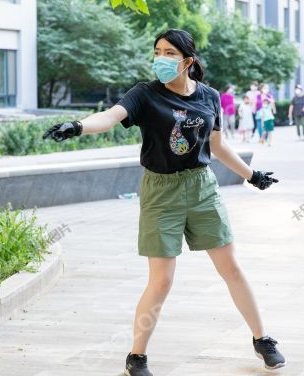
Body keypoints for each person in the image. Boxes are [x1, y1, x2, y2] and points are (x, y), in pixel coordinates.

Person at [42, 29, 286, 376]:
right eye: (157, 51)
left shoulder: (209, 96)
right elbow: (111, 116)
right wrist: (78, 125)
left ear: (188, 61)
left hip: (202, 187)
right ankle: (136, 357)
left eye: (169, 53)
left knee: (230, 267)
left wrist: (252, 175)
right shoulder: (145, 94)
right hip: (160, 191)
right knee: (162, 280)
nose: (161, 58)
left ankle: (263, 340)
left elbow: (218, 146)